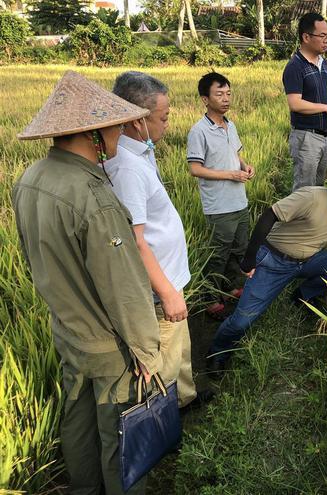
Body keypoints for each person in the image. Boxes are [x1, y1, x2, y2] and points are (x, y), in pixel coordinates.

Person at [12, 71, 162, 494]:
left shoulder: (31, 178)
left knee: (77, 424)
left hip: (67, 331)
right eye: (115, 126)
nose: (120, 135)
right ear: (93, 132)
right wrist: (146, 350)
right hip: (108, 344)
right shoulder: (95, 198)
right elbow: (124, 287)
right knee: (121, 440)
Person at [207, 161, 327, 373]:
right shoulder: (313, 198)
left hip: (308, 260)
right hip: (273, 262)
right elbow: (269, 215)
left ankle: (302, 295)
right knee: (242, 321)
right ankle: (218, 352)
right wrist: (249, 260)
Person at [106, 71, 212, 411]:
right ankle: (167, 422)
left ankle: (186, 397)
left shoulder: (140, 152)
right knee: (165, 353)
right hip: (158, 285)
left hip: (168, 276)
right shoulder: (126, 168)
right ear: (137, 120)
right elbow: (135, 240)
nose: (168, 124)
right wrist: (166, 292)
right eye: (163, 118)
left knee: (178, 345)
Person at [187, 72, 255, 319]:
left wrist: (245, 167)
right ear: (205, 99)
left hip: (239, 201)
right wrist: (230, 175)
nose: (226, 99)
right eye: (219, 94)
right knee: (218, 254)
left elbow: (235, 155)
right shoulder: (199, 131)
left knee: (240, 249)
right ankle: (210, 298)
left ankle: (231, 288)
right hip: (219, 206)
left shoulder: (230, 125)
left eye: (228, 93)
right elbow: (195, 169)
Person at [283, 12, 327, 191]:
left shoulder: (323, 63)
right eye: (322, 36)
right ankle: (296, 220)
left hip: (325, 137)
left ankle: (313, 220)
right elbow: (295, 103)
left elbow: (325, 92)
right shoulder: (295, 67)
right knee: (304, 191)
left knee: (318, 188)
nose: (326, 40)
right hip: (306, 138)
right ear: (306, 37)